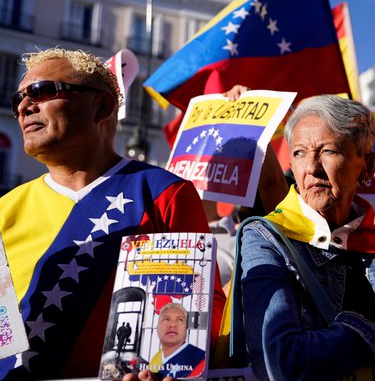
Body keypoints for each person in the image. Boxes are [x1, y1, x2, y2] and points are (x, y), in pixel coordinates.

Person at [0, 47, 225, 379]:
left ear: (102, 106)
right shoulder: (6, 208)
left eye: (40, 91)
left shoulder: (164, 194)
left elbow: (204, 312)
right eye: (18, 98)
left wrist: (166, 370)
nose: (23, 107)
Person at [235, 95, 375, 380]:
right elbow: (281, 363)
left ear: (368, 166)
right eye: (299, 153)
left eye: (328, 151)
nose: (311, 167)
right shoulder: (267, 238)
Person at [149, 303, 205, 379]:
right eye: (166, 319)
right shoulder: (154, 360)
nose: (172, 324)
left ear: (186, 328)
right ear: (157, 328)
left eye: (179, 320)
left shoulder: (201, 359)